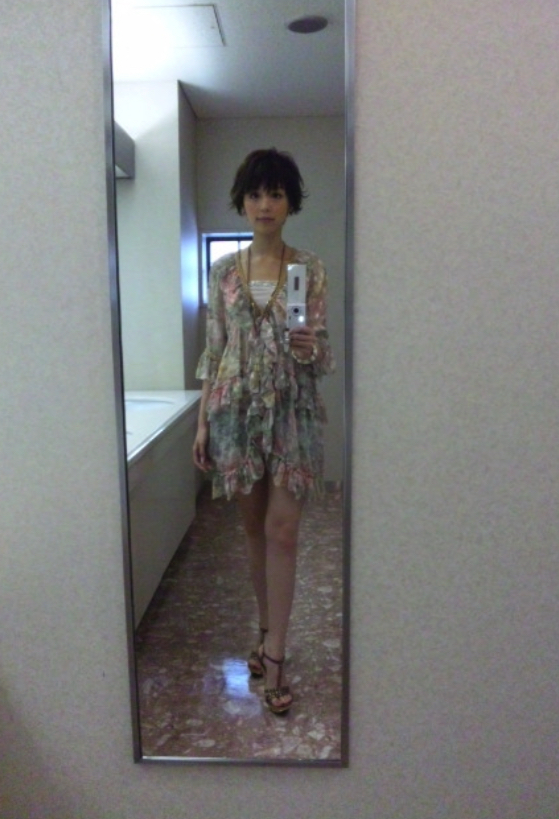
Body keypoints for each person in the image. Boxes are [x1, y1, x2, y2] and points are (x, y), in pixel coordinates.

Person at [192, 148, 334, 715]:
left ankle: (276, 655)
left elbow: (322, 357)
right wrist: (202, 422)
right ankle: (265, 630)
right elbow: (215, 349)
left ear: (290, 202)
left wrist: (312, 346)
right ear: (242, 202)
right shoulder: (224, 272)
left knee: (283, 531)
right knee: (253, 531)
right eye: (255, 194)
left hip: (291, 411)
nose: (265, 204)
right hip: (235, 412)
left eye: (276, 193)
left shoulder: (308, 269)